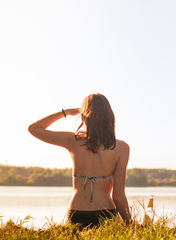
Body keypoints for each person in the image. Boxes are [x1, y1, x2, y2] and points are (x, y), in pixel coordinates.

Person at [28, 93, 131, 228]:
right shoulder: (121, 148)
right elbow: (118, 196)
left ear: (84, 116)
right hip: (106, 212)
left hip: (77, 212)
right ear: (110, 118)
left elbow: (34, 128)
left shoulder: (73, 141)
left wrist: (65, 113)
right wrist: (130, 223)